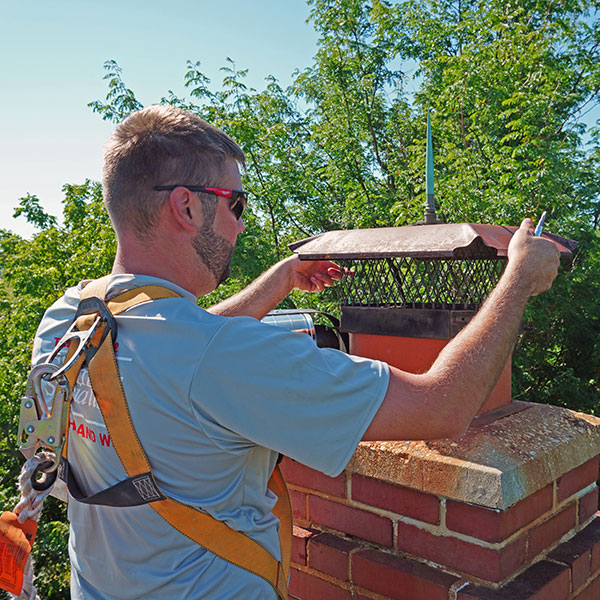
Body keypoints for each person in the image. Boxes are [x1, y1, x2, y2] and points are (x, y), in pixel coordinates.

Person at [32, 105, 560, 600]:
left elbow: (181, 350)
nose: (242, 223)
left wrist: (282, 277)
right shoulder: (228, 359)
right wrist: (517, 280)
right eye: (236, 203)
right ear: (187, 205)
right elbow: (441, 407)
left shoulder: (70, 318)